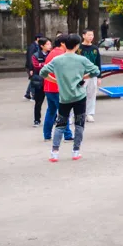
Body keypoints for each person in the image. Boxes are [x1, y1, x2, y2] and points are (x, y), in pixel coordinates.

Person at [39, 33, 101, 162]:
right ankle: (75, 151)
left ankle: (54, 152)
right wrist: (84, 77)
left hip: (64, 97)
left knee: (60, 124)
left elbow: (42, 72)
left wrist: (55, 80)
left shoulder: (57, 60)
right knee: (79, 124)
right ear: (77, 45)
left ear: (64, 44)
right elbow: (96, 71)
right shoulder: (81, 59)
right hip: (79, 96)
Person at [42, 35, 74, 143]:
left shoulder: (51, 53)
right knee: (63, 112)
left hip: (48, 87)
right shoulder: (61, 55)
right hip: (57, 88)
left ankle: (47, 135)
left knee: (51, 111)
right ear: (62, 43)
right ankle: (67, 135)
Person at [79, 30, 102, 123]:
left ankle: (90, 114)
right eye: (89, 35)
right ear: (83, 35)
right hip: (81, 75)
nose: (91, 37)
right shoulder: (79, 48)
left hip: (92, 75)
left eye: (92, 35)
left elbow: (98, 63)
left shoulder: (95, 49)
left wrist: (99, 76)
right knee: (79, 95)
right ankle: (78, 114)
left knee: (91, 94)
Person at [29, 37, 52, 128]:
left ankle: (53, 119)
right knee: (38, 102)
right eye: (48, 44)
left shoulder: (51, 54)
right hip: (39, 81)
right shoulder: (35, 55)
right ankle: (37, 120)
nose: (50, 46)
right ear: (42, 46)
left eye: (50, 44)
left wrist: (43, 64)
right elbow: (36, 66)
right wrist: (46, 64)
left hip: (50, 80)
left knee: (52, 102)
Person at [24, 33, 44, 100]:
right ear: (38, 39)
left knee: (33, 80)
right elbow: (30, 58)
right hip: (31, 66)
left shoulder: (37, 46)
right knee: (34, 80)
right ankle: (32, 95)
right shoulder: (33, 47)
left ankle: (27, 94)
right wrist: (31, 68)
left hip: (34, 66)